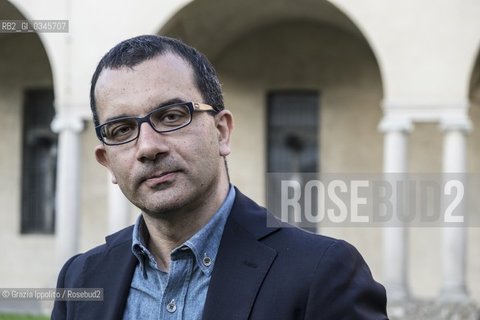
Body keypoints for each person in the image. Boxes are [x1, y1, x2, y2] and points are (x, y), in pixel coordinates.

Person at [52, 35, 388, 319]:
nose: (148, 147)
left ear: (222, 131)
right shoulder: (81, 279)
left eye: (171, 116)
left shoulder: (321, 272)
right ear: (106, 161)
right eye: (122, 129)